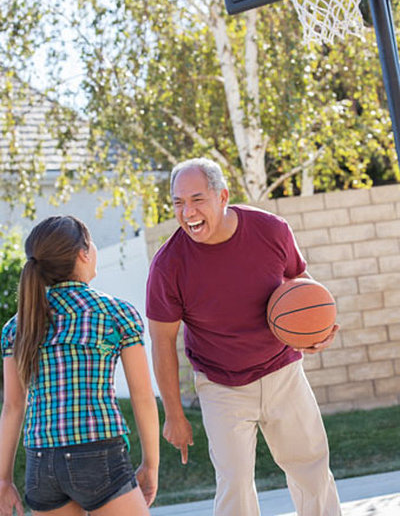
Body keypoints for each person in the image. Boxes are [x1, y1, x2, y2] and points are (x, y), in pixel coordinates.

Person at [146, 157, 342, 516]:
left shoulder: (271, 230)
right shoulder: (168, 265)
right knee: (234, 484)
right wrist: (173, 413)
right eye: (178, 202)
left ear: (222, 197)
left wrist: (319, 329)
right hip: (221, 384)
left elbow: (301, 284)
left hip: (282, 370)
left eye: (197, 199)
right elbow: (161, 342)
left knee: (311, 469)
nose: (187, 211)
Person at [0, 215, 159, 516]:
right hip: (99, 455)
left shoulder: (16, 327)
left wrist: (3, 479)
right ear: (83, 254)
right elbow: (142, 397)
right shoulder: (116, 313)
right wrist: (150, 465)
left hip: (41, 462)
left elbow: (12, 407)